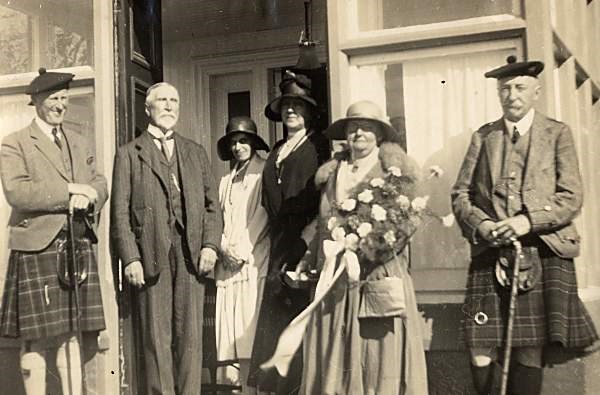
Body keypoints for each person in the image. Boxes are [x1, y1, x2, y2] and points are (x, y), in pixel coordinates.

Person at [451, 56, 598, 395]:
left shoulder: (557, 133)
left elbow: (572, 196)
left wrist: (526, 221)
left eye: (519, 88)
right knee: (480, 346)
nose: (511, 95)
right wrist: (483, 224)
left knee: (530, 348)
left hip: (543, 250)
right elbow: (461, 193)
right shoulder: (483, 137)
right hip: (491, 252)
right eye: (504, 89)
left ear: (536, 92)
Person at [295, 100, 428, 394]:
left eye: (367, 128)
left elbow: (406, 222)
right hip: (339, 277)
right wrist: (310, 254)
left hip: (377, 273)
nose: (359, 134)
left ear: (379, 134)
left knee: (376, 353)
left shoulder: (394, 171)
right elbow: (325, 221)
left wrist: (368, 246)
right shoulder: (334, 172)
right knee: (338, 352)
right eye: (353, 127)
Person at [110, 82, 223, 395]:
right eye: (162, 100)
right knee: (156, 338)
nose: (169, 106)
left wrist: (210, 246)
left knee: (190, 339)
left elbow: (214, 207)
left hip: (191, 257)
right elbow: (119, 214)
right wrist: (130, 257)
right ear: (148, 108)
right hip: (151, 256)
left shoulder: (195, 152)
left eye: (174, 100)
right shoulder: (129, 154)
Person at [0, 68, 108, 395]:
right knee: (35, 339)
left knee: (72, 334)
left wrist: (92, 195)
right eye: (53, 99)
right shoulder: (14, 142)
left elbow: (99, 181)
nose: (61, 105)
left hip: (76, 245)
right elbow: (17, 192)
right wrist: (69, 192)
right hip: (37, 246)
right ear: (36, 101)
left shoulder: (78, 139)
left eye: (64, 98)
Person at [249, 70, 330, 393]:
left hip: (305, 246)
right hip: (278, 247)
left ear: (309, 110)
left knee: (299, 325)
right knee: (276, 325)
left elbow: (326, 202)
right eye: (286, 106)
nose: (291, 111)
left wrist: (306, 244)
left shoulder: (318, 147)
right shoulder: (278, 149)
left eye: (297, 105)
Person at [214, 116, 270, 393]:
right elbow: (218, 218)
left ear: (253, 143)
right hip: (228, 263)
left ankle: (253, 389)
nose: (238, 147)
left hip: (252, 259)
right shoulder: (225, 180)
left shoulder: (263, 173)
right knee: (231, 335)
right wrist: (224, 246)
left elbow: (262, 216)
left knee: (250, 329)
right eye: (234, 142)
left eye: (243, 141)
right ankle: (235, 388)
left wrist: (242, 251)